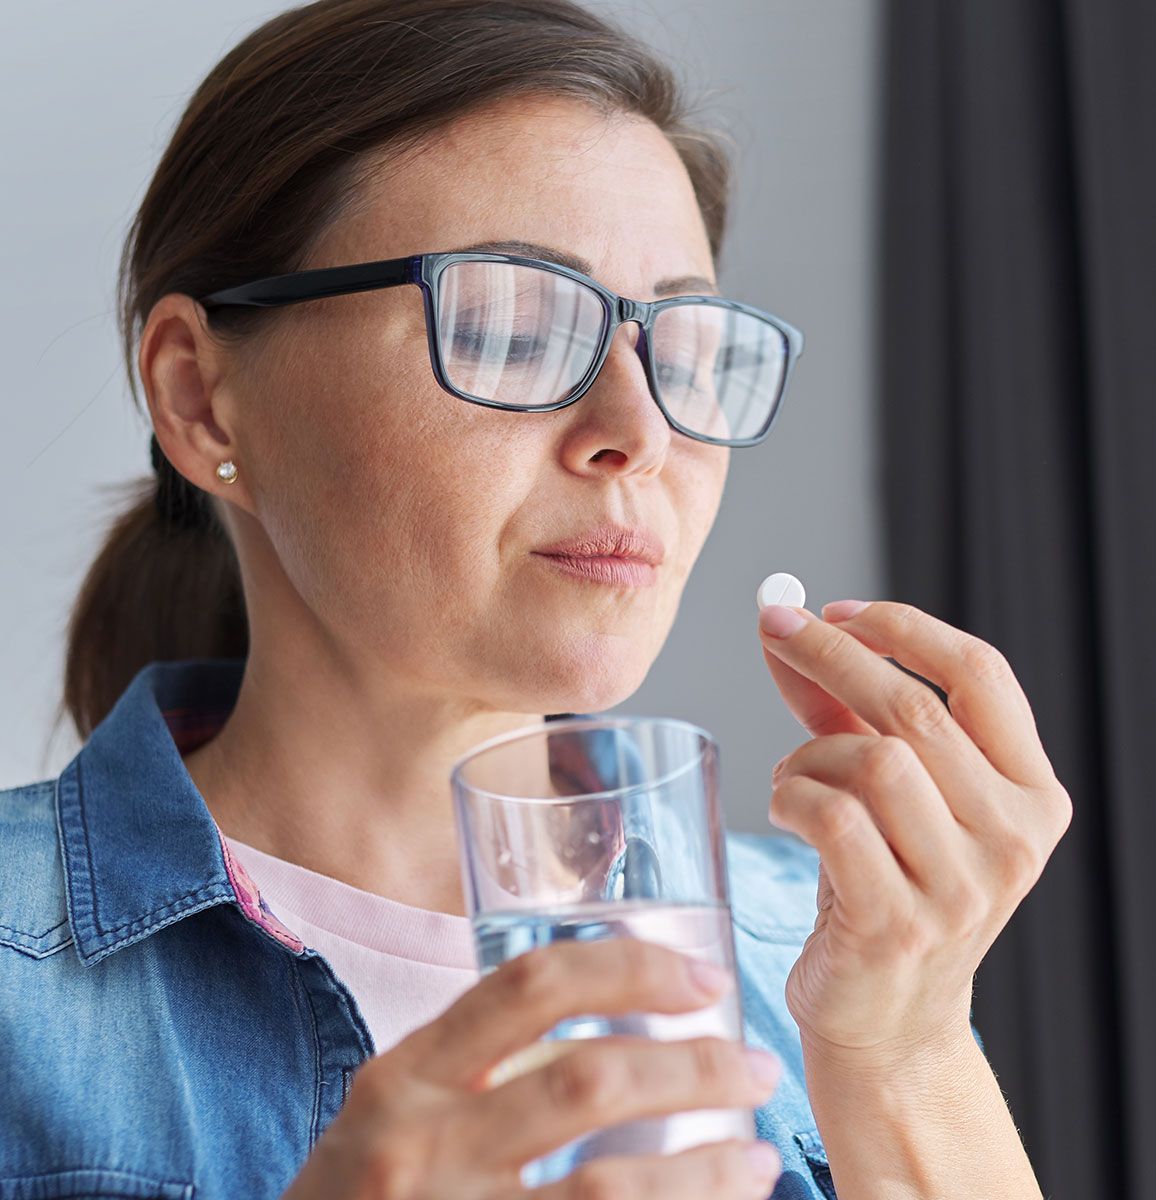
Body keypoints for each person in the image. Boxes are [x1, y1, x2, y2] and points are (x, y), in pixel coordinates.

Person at [0, 2, 1072, 1197]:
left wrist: (905, 1050)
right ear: (201, 398)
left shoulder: (835, 949)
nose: (640, 432)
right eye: (513, 326)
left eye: (682, 345)